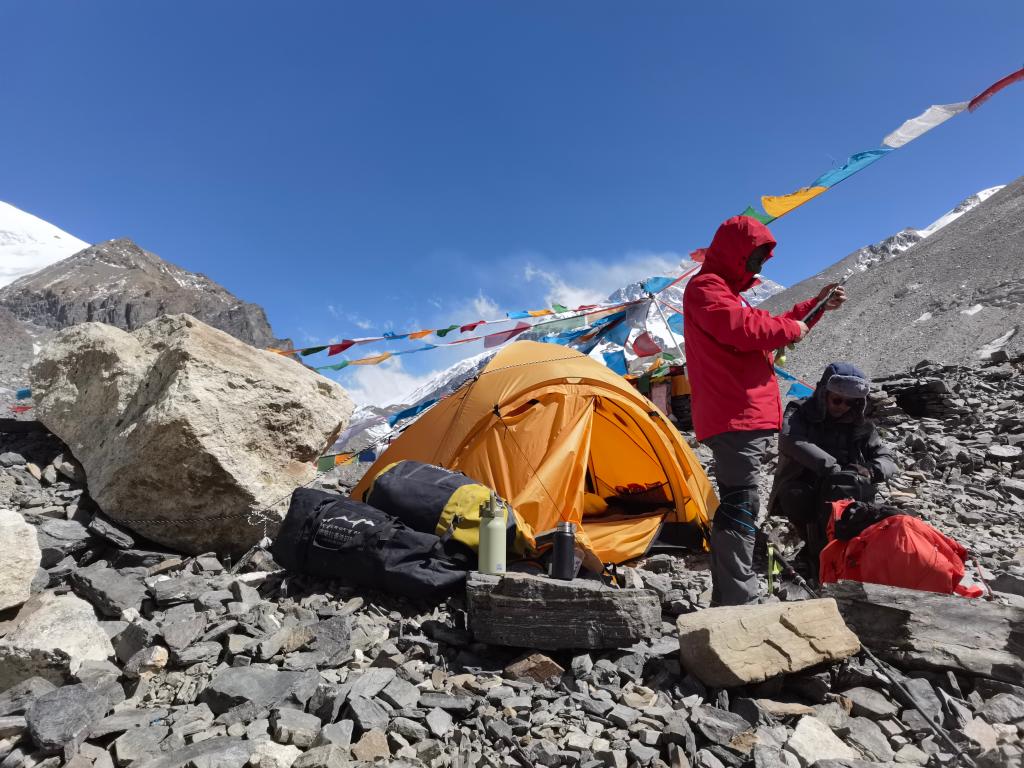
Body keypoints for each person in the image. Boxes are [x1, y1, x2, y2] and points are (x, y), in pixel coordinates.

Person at [683, 215, 846, 606]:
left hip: (741, 417)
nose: (758, 267)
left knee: (741, 503)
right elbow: (744, 329)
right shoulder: (707, 288)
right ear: (735, 254)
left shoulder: (724, 292)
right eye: (754, 257)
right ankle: (737, 599)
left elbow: (763, 325)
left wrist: (815, 307)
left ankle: (732, 594)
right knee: (741, 505)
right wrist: (792, 330)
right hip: (735, 416)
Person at [768, 362, 898, 575]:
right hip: (807, 485)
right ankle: (814, 549)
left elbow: (886, 458)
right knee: (795, 496)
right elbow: (790, 440)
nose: (842, 406)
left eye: (850, 402)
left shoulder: (861, 425)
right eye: (837, 400)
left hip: (850, 490)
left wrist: (872, 470)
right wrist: (833, 468)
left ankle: (841, 554)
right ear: (823, 394)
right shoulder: (800, 412)